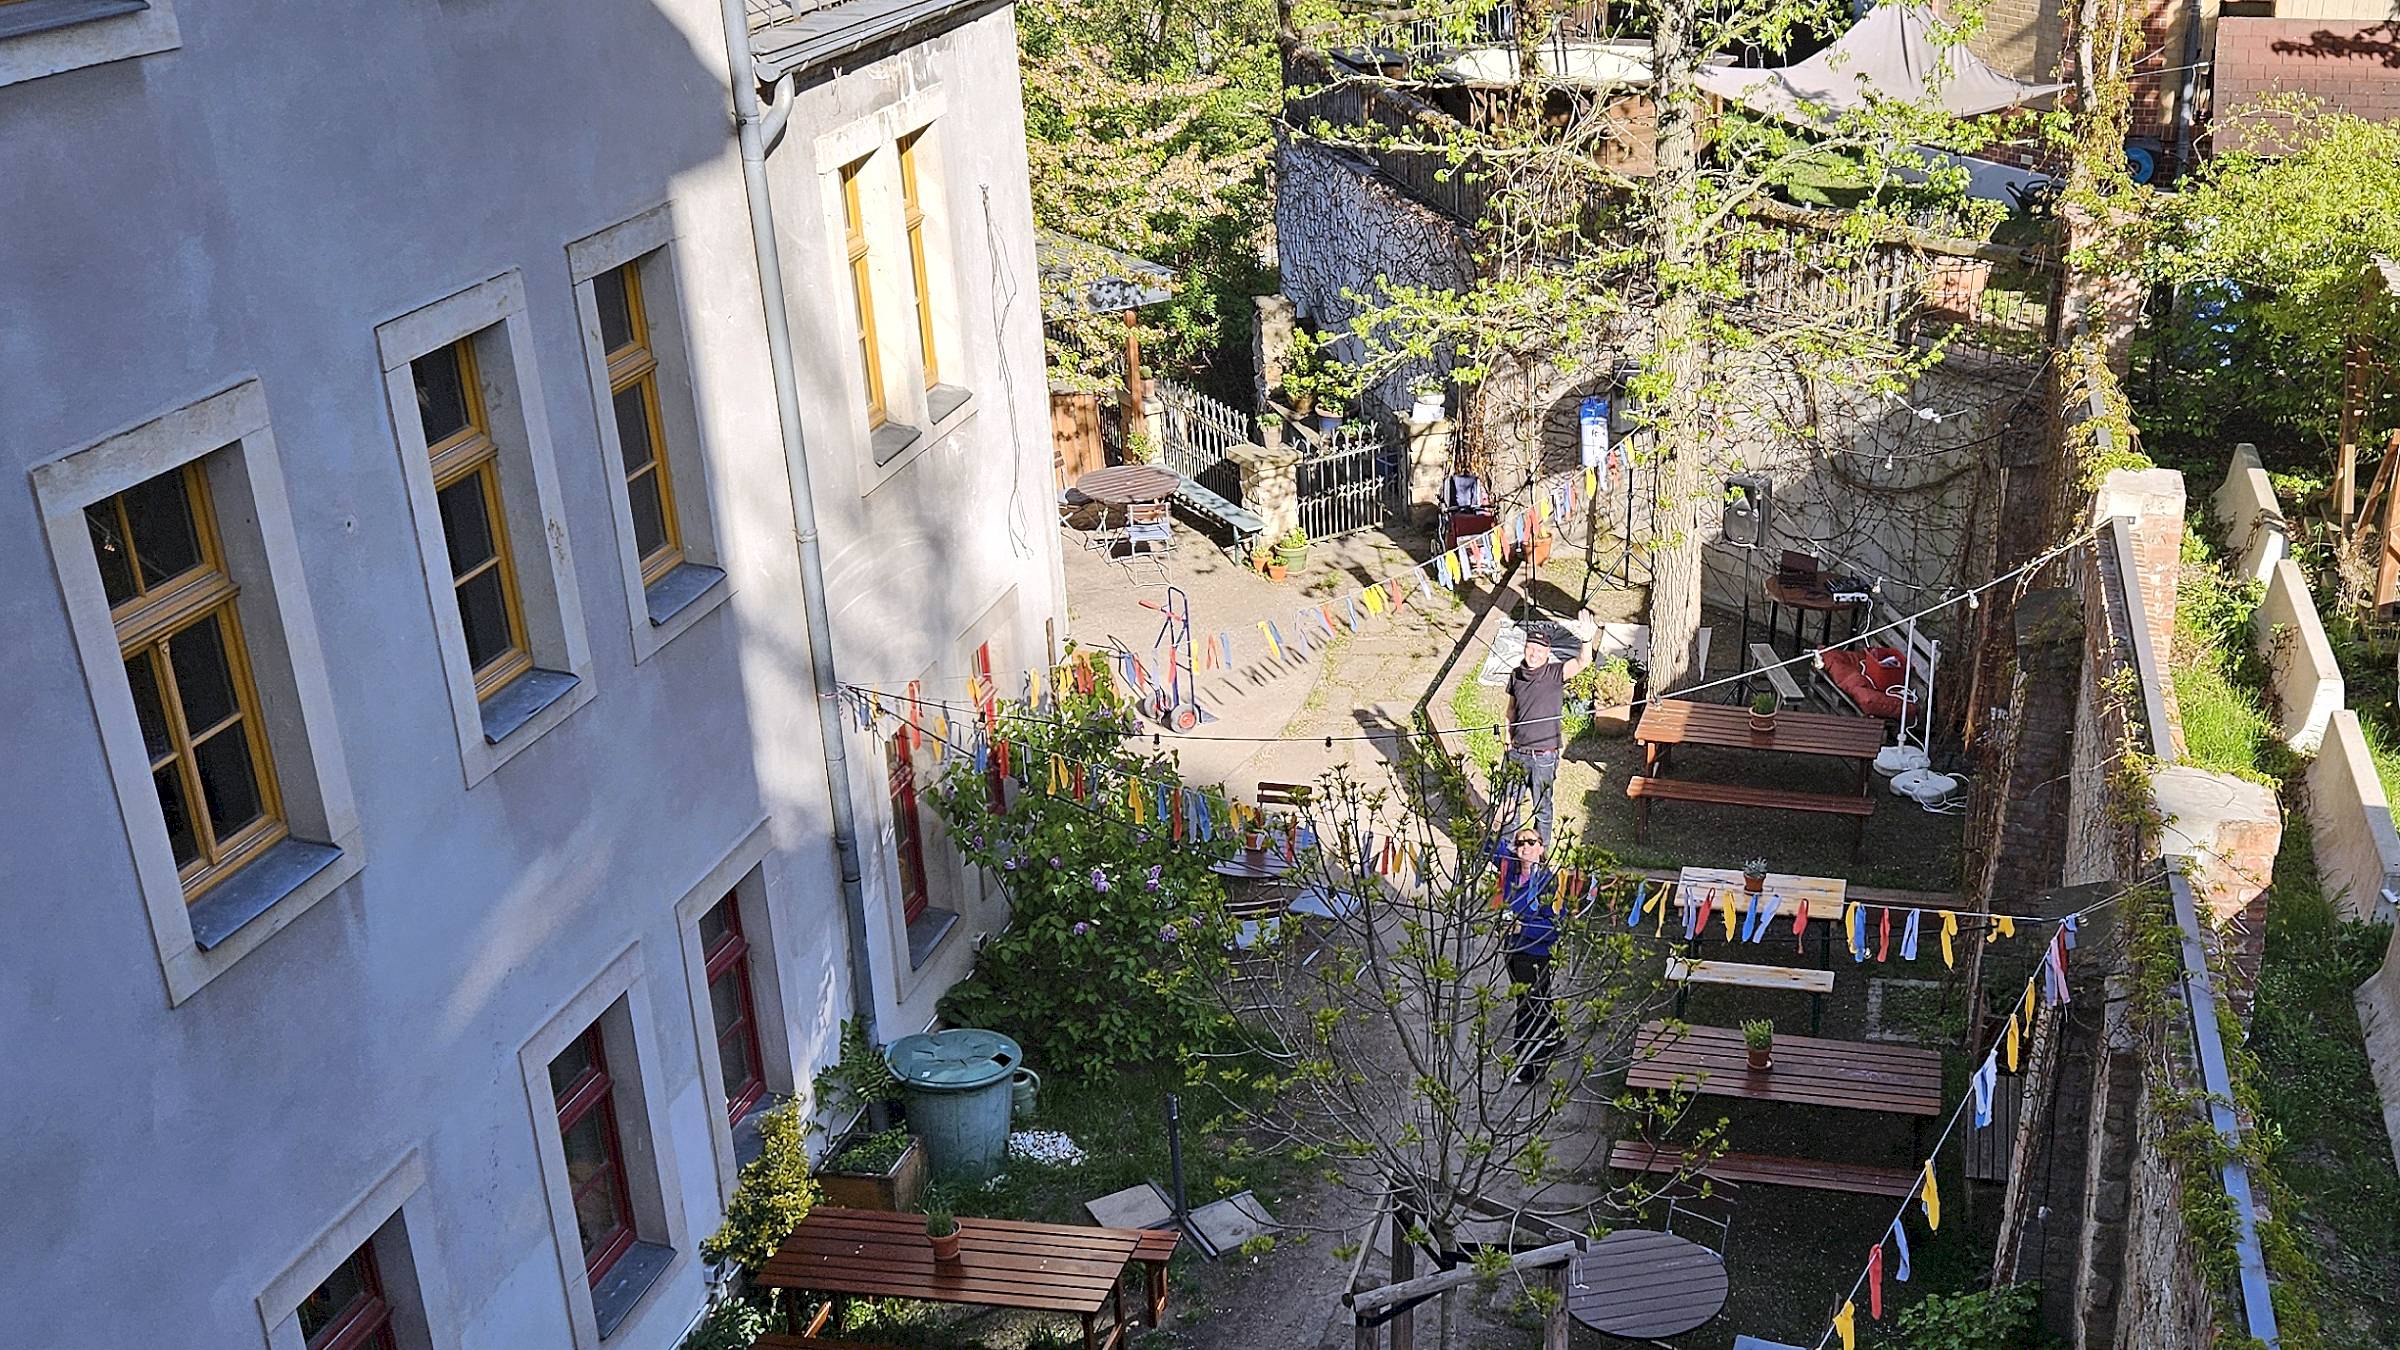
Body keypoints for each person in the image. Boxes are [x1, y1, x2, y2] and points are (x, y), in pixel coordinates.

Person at [1504, 623, 1589, 845]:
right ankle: (1510, 851)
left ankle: (1540, 854)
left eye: (1540, 651)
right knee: (1509, 804)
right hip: (1517, 752)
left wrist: (1587, 641)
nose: (1534, 654)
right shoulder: (1516, 676)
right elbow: (1511, 710)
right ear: (1525, 649)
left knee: (1542, 807)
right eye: (1531, 648)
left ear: (1547, 653)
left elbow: (1582, 662)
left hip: (1544, 756)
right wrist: (1507, 738)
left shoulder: (1555, 673)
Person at [1493, 828, 1561, 1082]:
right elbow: (1489, 846)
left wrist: (1524, 928)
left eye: (1532, 842)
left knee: (1527, 1008)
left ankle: (1530, 1066)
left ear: (1541, 848)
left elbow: (1555, 929)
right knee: (1539, 999)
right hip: (1512, 950)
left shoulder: (1549, 882)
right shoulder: (1509, 873)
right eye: (1520, 842)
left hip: (1535, 953)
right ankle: (1555, 1035)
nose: (1525, 847)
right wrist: (1498, 820)